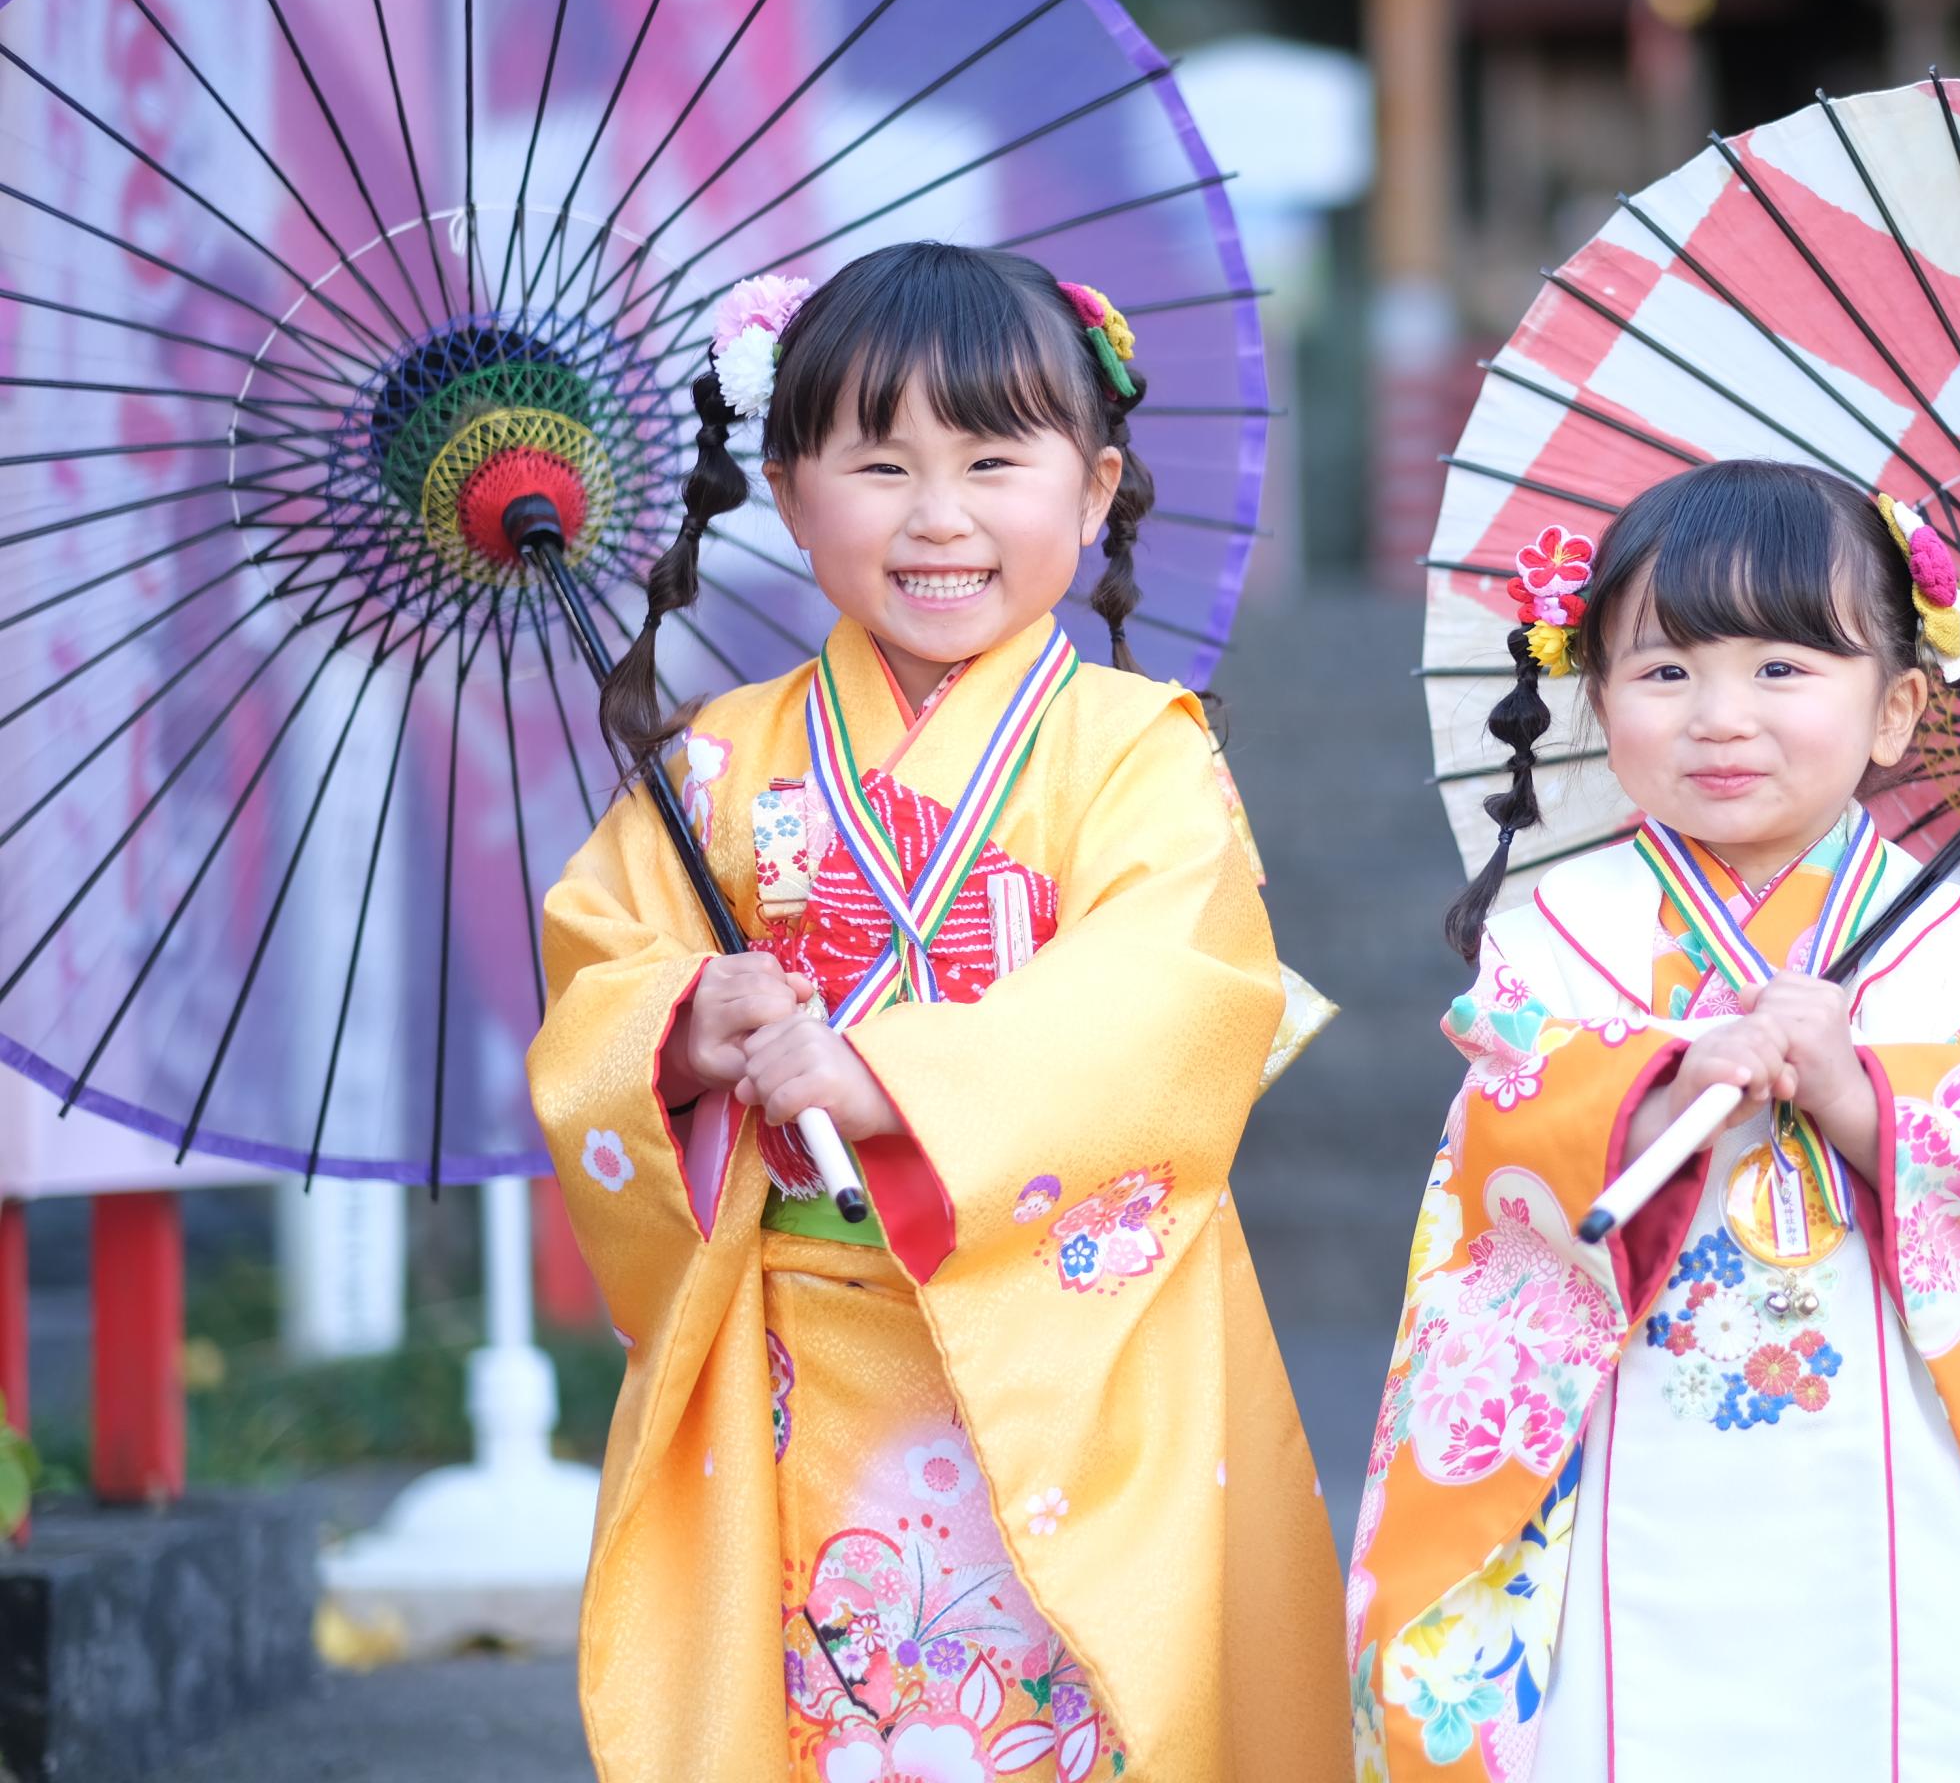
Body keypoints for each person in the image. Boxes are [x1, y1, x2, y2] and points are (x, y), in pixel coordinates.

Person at [528, 243, 1347, 1783]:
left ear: (1094, 490)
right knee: (824, 1722)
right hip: (801, 1355)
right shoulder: (715, 765)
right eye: (880, 464)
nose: (939, 515)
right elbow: (597, 984)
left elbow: (1176, 995)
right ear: (790, 494)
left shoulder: (1140, 752)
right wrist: (686, 1026)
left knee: (1070, 1715)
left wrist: (886, 1076)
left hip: (1071, 1350)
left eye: (992, 460)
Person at [1345, 461, 1960, 1783]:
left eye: (1782, 668)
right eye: (1665, 671)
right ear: (1597, 696)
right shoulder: (1554, 944)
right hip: (1620, 1466)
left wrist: (1858, 1094)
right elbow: (1492, 1178)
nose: (1721, 717)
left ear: (1896, 709)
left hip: (1895, 1477)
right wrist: (1654, 1086)